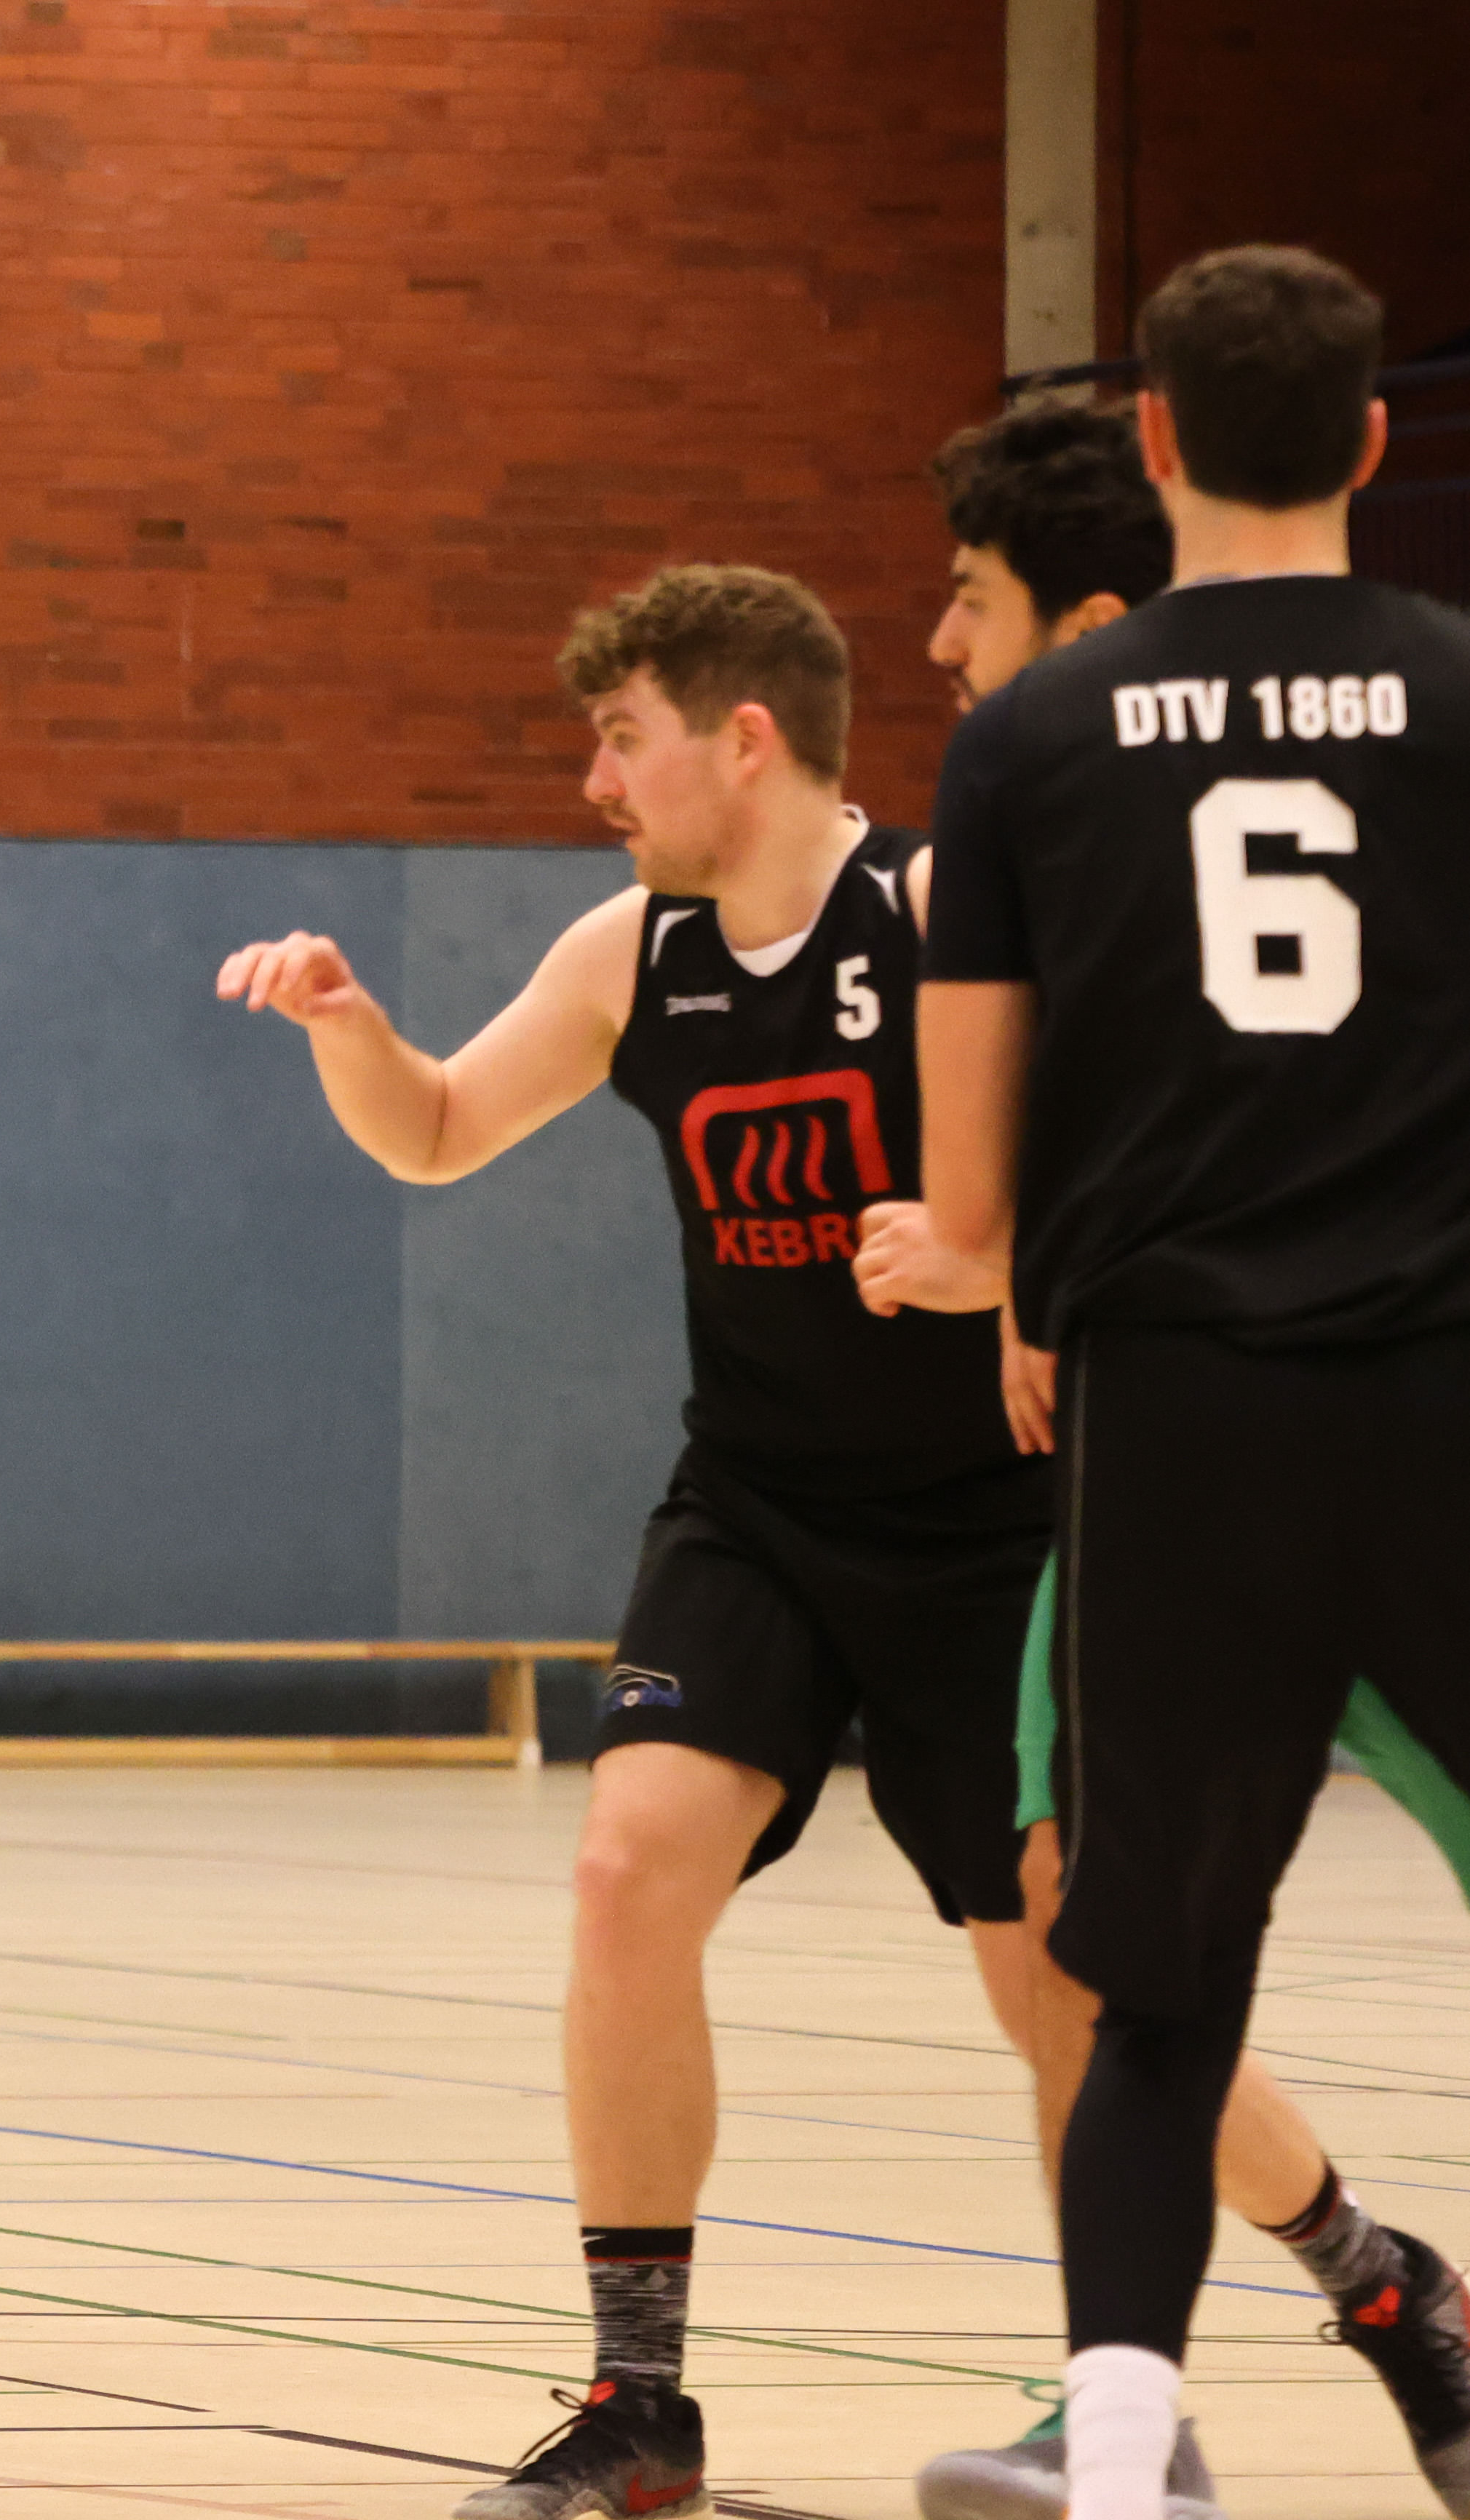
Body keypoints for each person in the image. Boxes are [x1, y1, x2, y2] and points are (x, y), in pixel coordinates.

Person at [223, 565, 1054, 2520]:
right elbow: (437, 1129)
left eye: (621, 735)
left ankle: (1233, 2328)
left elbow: (1125, 1163)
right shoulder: (629, 951)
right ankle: (637, 2402)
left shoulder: (940, 915)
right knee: (621, 1876)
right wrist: (350, 1029)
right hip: (755, 1511)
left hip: (990, 1529)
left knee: (1051, 1976)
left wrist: (993, 1255)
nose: (594, 778)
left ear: (741, 740)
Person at [919, 242, 1470, 2520]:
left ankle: (1127, 2453)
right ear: (1371, 441)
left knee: (1155, 1973)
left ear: (1149, 442)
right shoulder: (1462, 692)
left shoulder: (1028, 739)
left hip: (1173, 1424)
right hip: (1437, 1396)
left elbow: (970, 1198)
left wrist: (1015, 1238)